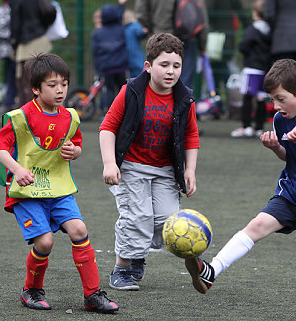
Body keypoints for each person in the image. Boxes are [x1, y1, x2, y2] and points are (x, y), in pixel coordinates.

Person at [185, 59, 296, 321]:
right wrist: (276, 147)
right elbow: (290, 156)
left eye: (280, 99)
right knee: (256, 226)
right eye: (272, 99)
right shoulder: (280, 119)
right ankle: (211, 272)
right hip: (291, 192)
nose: (276, 106)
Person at [0, 53, 119, 313]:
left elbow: (77, 144)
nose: (60, 90)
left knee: (79, 230)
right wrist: (16, 169)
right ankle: (31, 290)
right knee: (45, 243)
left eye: (64, 83)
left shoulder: (70, 116)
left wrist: (75, 151)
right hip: (27, 192)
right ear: (36, 89)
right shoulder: (21, 117)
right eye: (52, 85)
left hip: (58, 190)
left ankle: (92, 295)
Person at [100, 33, 200, 291]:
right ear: (148, 66)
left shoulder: (184, 97)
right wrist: (110, 163)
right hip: (132, 167)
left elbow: (191, 135)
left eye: (176, 66)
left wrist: (190, 170)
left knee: (167, 222)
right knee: (138, 218)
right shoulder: (131, 91)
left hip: (165, 171)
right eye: (164, 65)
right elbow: (108, 127)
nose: (170, 72)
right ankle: (122, 268)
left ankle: (137, 254)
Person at [134, 0, 208, 89]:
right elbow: (201, 15)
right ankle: (181, 102)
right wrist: (202, 45)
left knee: (158, 78)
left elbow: (141, 13)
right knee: (184, 82)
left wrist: (151, 31)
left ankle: (156, 102)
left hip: (160, 35)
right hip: (186, 38)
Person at [230, 0, 271, 138]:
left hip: (252, 68)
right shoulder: (271, 30)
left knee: (247, 97)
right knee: (261, 98)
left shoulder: (252, 29)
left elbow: (243, 46)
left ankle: (246, 126)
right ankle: (259, 127)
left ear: (255, 13)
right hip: (265, 68)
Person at [10, 0, 54, 105]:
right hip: (42, 40)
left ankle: (29, 112)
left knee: (25, 81)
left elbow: (15, 23)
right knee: (43, 79)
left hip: (26, 43)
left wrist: (14, 44)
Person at [91, 0, 128, 114]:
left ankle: (111, 114)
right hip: (120, 67)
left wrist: (98, 68)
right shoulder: (120, 30)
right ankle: (128, 112)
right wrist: (121, 5)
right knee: (125, 89)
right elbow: (119, 16)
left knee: (109, 91)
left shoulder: (98, 33)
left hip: (106, 68)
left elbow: (95, 51)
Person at [0, 0, 16, 112]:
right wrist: (14, 37)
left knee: (13, 74)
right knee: (11, 74)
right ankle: (8, 100)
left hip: (13, 48)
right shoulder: (1, 11)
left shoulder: (13, 8)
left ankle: (9, 100)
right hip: (7, 49)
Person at [123, 9, 147, 78]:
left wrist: (143, 32)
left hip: (135, 56)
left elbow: (140, 32)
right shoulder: (124, 28)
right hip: (130, 57)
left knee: (138, 73)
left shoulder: (133, 26)